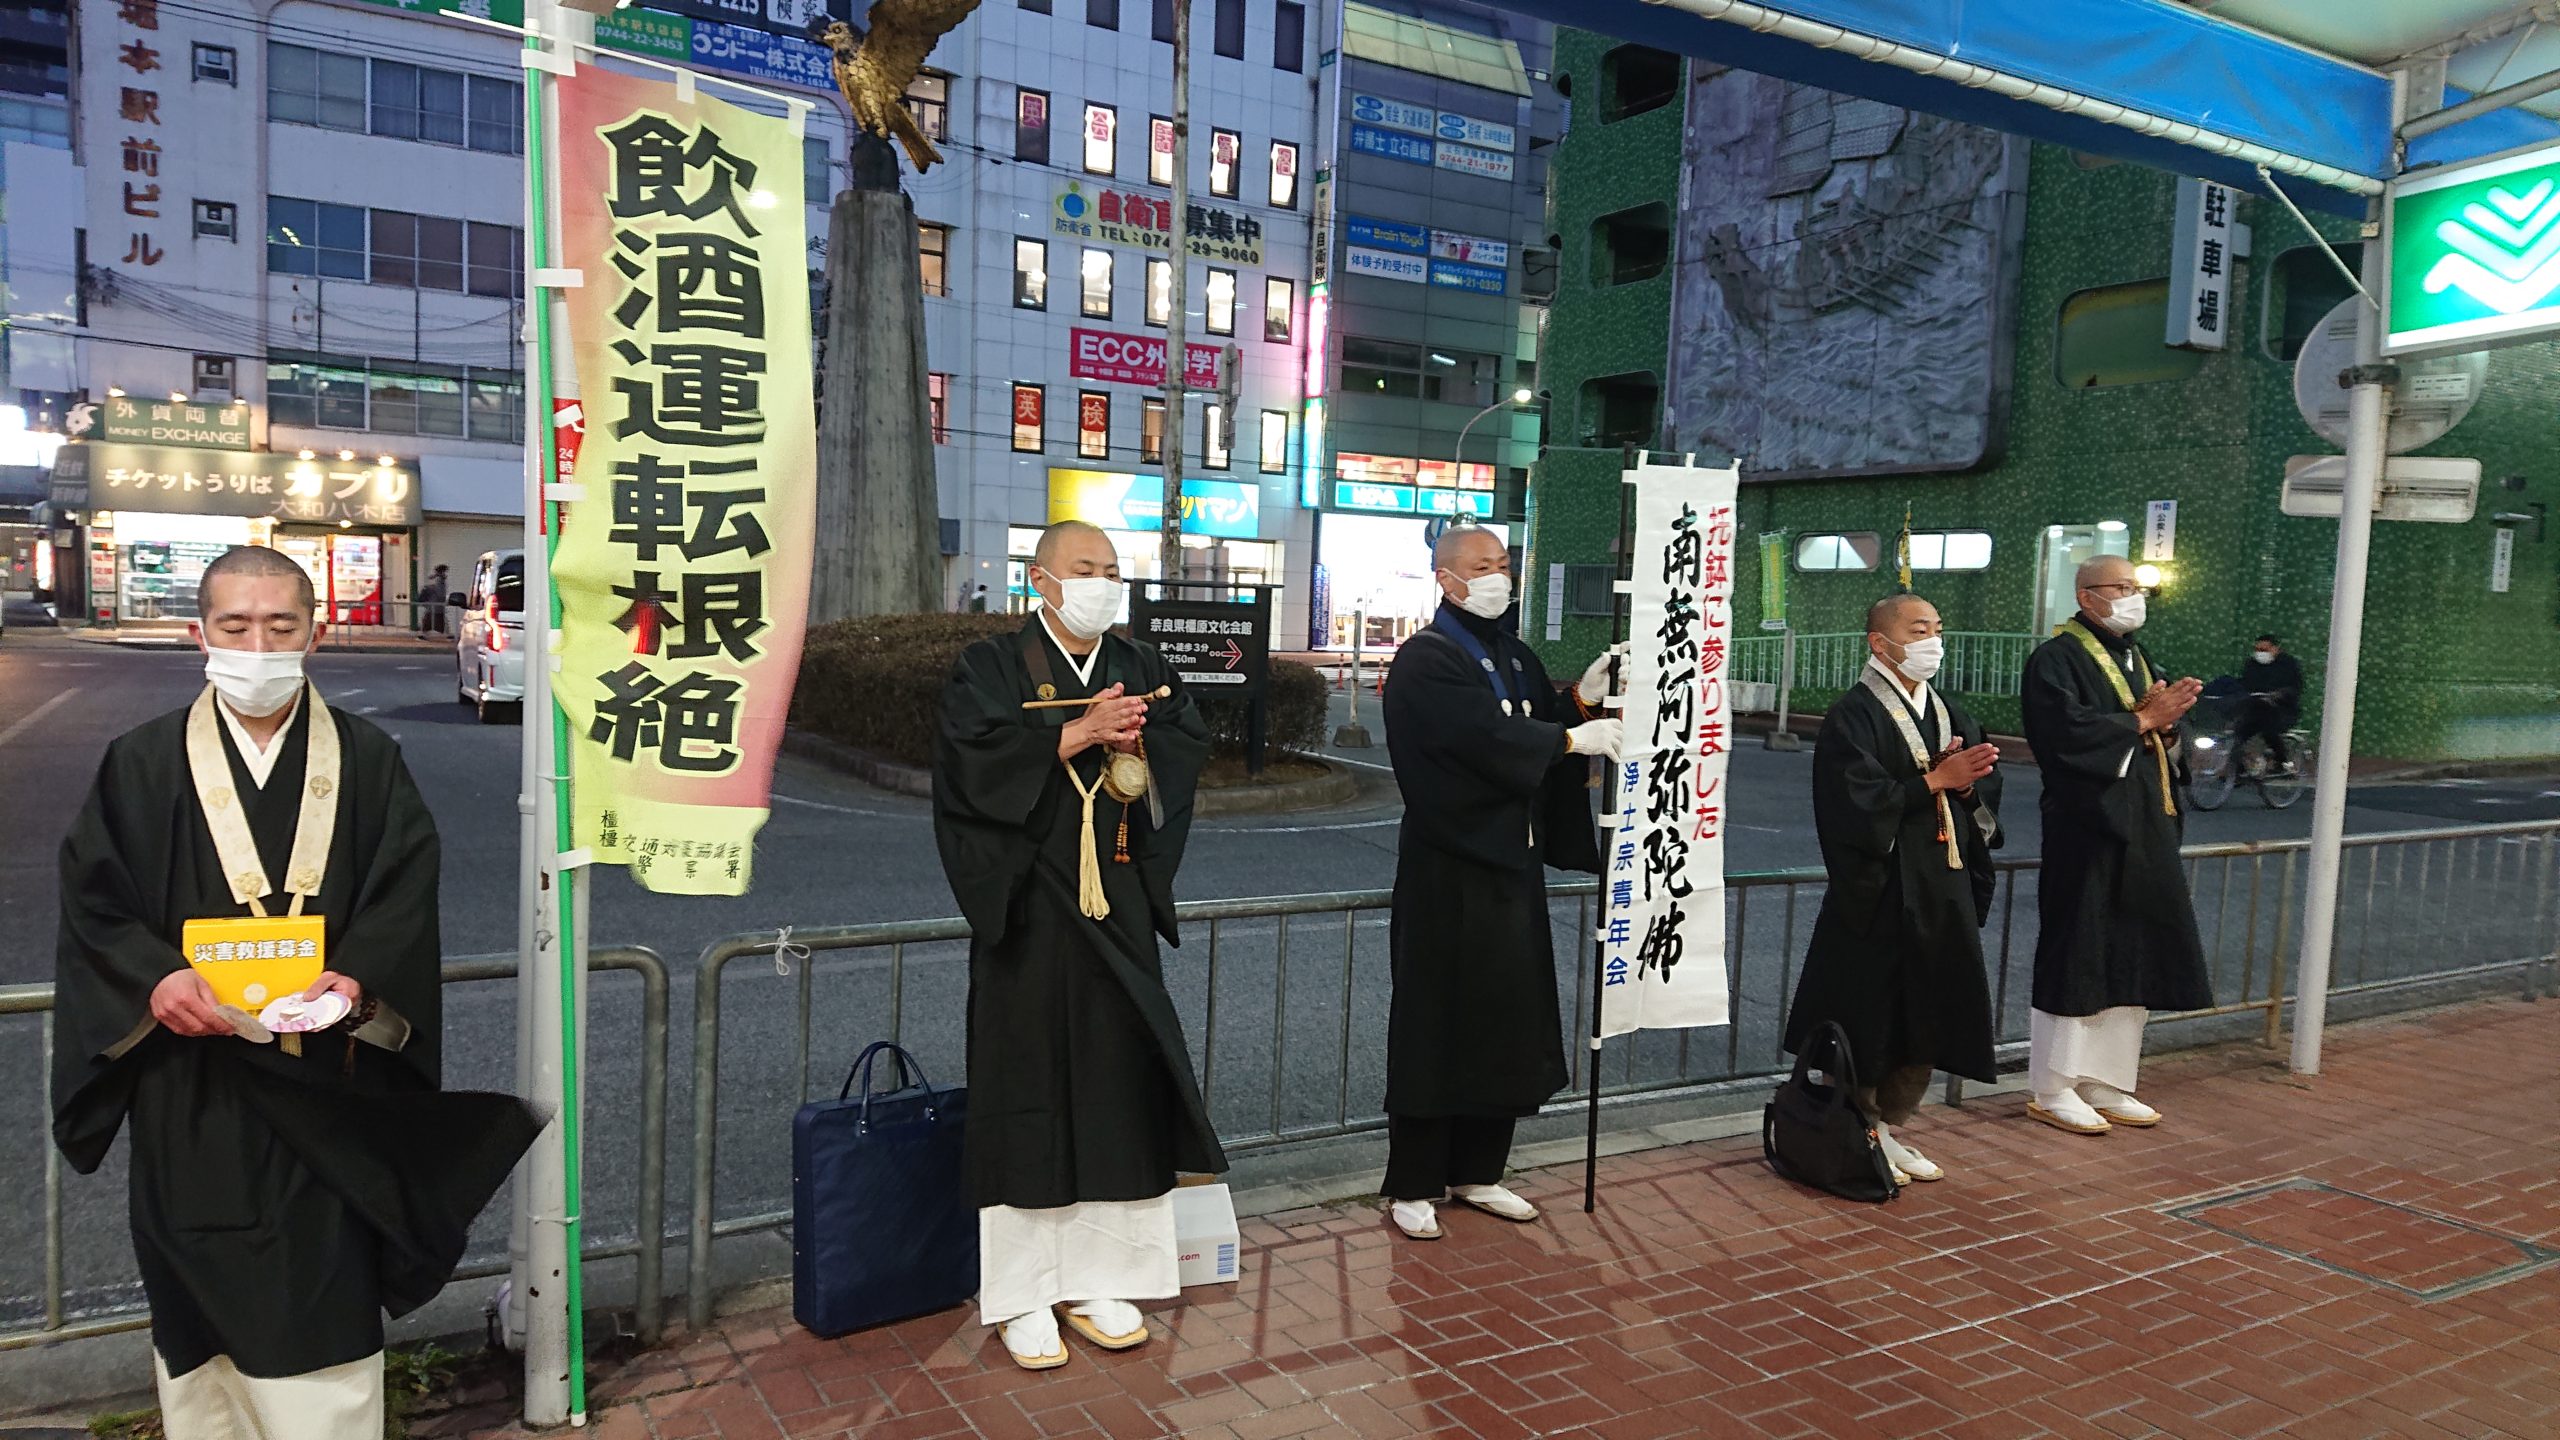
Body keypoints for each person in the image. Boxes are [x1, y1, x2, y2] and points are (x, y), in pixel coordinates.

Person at [52, 544, 538, 1438]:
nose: (258, 644)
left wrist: (362, 980)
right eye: (235, 626)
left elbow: (402, 889)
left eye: (280, 625)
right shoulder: (143, 763)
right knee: (199, 1330)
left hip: (327, 1089)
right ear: (199, 632)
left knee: (322, 1325)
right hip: (189, 1094)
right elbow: (95, 904)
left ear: (314, 632)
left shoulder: (367, 759)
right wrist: (155, 980)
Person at [931, 520, 1225, 1371]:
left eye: (1111, 570)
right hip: (1029, 907)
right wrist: (1078, 731)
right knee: (1027, 1091)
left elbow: (1185, 740)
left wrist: (1139, 741)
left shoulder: (1140, 667)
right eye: (1083, 569)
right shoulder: (989, 666)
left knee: (1116, 1086)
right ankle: (1024, 1294)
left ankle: (1104, 1277)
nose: (1101, 583)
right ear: (1042, 580)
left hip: (1117, 904)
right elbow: (966, 767)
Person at [1377, 524, 1621, 1241]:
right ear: (1445, 579)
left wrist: (1577, 703)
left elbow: (1536, 727)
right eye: (1480, 566)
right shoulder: (1427, 659)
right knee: (1436, 1022)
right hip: (1448, 869)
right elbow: (1478, 739)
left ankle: (1479, 1169)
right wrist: (1570, 738)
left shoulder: (1514, 654)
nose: (1496, 576)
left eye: (1503, 564)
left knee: (1505, 1019)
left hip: (1510, 868)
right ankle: (1413, 1183)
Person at [1782, 593, 2003, 1184]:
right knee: (1871, 1016)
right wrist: (1934, 779)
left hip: (1940, 885)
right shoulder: (1852, 715)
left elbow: (1979, 794)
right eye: (1918, 628)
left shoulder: (1947, 708)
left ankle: (1892, 1127)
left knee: (1927, 1012)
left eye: (1937, 626)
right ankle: (1859, 1125)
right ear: (1881, 643)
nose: (1933, 638)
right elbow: (1853, 804)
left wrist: (1966, 780)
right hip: (1878, 893)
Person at [2019, 555, 2212, 1136]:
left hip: (2144, 824)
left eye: (2136, 587)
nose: (2132, 596)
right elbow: (2063, 736)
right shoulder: (2055, 659)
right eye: (2120, 587)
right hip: (2089, 829)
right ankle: (2054, 1086)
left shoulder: (2136, 655)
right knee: (2080, 948)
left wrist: (2167, 723)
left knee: (2133, 949)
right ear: (2086, 596)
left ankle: (2107, 1080)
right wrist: (2141, 721)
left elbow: (2150, 728)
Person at [2232, 633, 2303, 774]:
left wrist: (2278, 695)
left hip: (2282, 710)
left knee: (2269, 731)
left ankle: (2283, 762)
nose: (2260, 653)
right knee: (2237, 734)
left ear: (2275, 649)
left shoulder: (2288, 664)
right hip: (2256, 710)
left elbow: (2295, 688)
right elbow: (2245, 684)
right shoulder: (2251, 664)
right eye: (2258, 650)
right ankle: (2238, 770)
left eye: (2264, 650)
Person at [419, 563, 451, 635]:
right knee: (436, 622)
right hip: (436, 607)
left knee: (430, 621)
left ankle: (423, 635)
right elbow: (440, 593)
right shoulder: (440, 580)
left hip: (433, 606)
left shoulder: (434, 579)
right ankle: (447, 636)